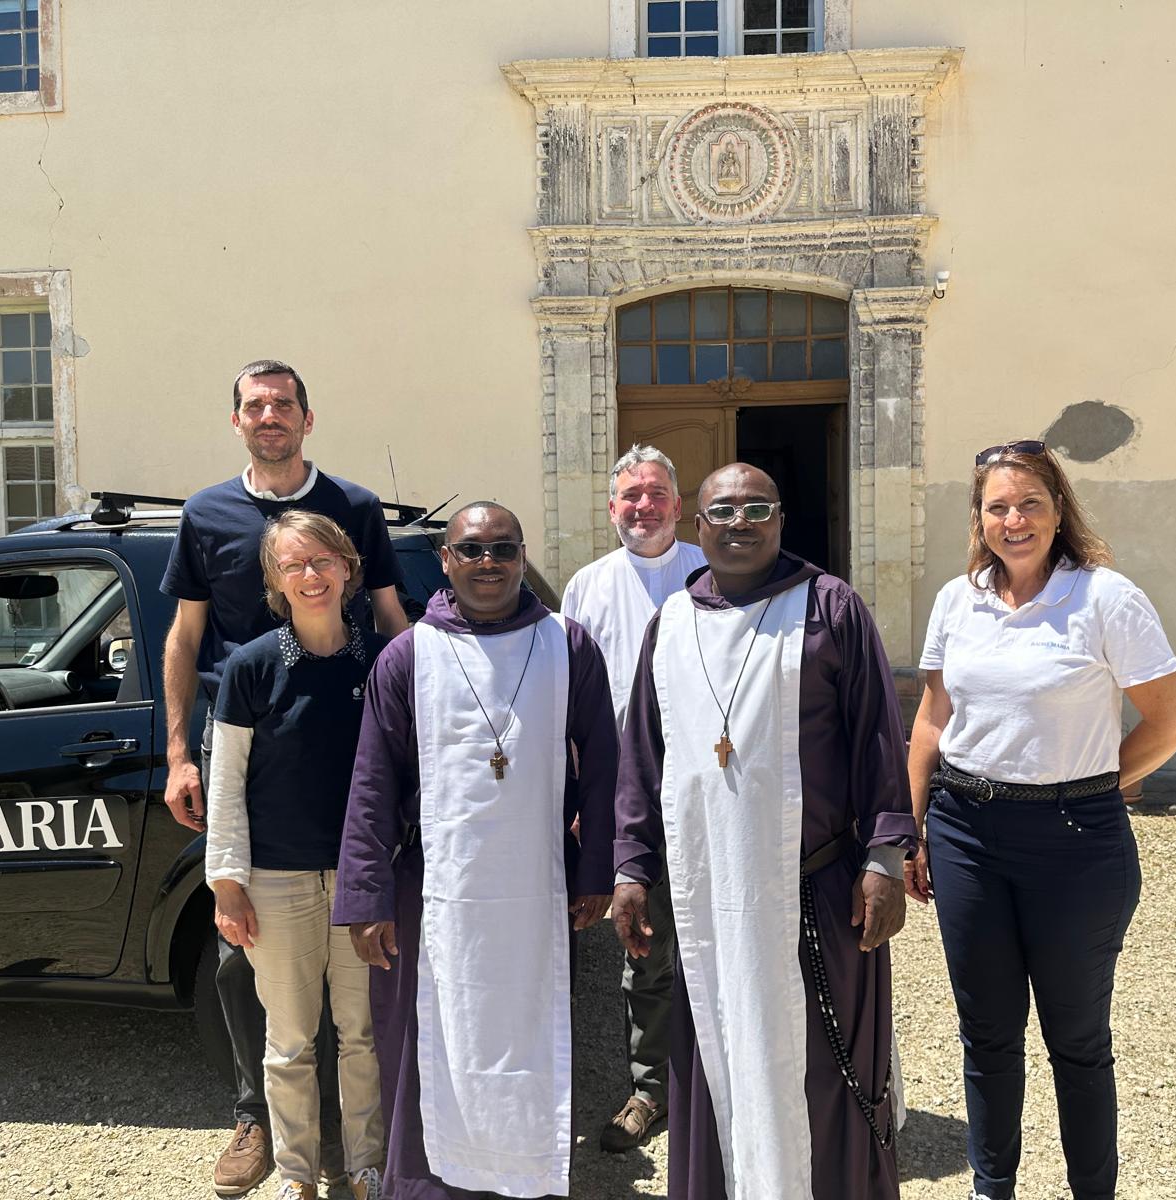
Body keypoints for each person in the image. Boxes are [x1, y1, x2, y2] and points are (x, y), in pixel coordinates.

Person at [904, 440, 1176, 1200]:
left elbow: (1173, 719)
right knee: (987, 1035)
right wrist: (912, 827)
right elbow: (933, 718)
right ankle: (991, 1186)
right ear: (979, 518)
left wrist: (1096, 784)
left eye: (1030, 503)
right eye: (997, 506)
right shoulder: (957, 600)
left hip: (1074, 844)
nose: (1015, 520)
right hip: (966, 832)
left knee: (1077, 1039)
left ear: (1059, 509)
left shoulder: (1104, 598)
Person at [613, 463, 915, 1200]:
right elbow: (642, 757)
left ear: (781, 519)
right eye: (723, 511)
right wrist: (631, 867)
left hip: (816, 891)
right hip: (709, 900)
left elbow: (877, 736)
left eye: (757, 508)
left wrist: (884, 858)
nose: (739, 522)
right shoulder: (672, 624)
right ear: (699, 526)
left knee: (824, 1070)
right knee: (719, 1059)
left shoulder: (830, 608)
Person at [161, 359, 409, 1196]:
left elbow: (391, 619)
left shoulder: (356, 506)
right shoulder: (205, 514)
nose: (269, 416)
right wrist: (179, 754)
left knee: (359, 1012)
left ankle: (362, 1153)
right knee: (252, 976)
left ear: (308, 417)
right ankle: (260, 1126)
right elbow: (185, 636)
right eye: (255, 405)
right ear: (237, 420)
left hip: (345, 783)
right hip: (251, 754)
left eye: (284, 404)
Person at [333, 501, 618, 1199]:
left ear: (522, 557)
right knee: (434, 1037)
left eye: (503, 549)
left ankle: (527, 1178)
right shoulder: (410, 655)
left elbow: (605, 765)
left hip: (537, 889)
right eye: (471, 550)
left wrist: (597, 870)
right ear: (445, 560)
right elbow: (373, 780)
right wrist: (366, 898)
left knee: (529, 1031)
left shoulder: (567, 645)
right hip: (436, 890)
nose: (487, 563)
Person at [205, 511, 389, 1200]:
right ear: (275, 580)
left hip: (361, 881)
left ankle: (367, 1165)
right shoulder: (251, 667)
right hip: (276, 882)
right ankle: (296, 1174)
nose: (310, 575)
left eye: (322, 560)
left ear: (347, 568)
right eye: (293, 564)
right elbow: (226, 782)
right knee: (289, 1043)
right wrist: (227, 883)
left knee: (362, 1034)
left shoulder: (381, 662)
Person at [560, 444, 706, 1152]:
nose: (643, 506)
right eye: (630, 495)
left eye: (655, 494)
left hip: (711, 791)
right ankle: (653, 1089)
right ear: (611, 507)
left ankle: (720, 1083)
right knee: (643, 945)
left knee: (721, 939)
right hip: (627, 798)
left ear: (678, 504)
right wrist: (580, 798)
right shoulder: (586, 588)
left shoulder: (712, 572)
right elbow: (571, 705)